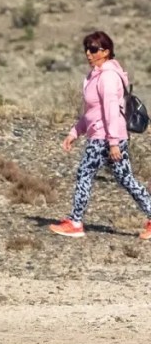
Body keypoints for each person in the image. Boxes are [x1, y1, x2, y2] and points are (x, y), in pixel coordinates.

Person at [51, 31, 151, 240]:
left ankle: (75, 222)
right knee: (126, 179)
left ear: (106, 52)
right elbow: (91, 113)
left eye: (94, 49)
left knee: (85, 174)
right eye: (87, 49)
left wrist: (113, 143)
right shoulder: (95, 76)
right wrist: (74, 132)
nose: (89, 53)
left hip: (105, 138)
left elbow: (111, 111)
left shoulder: (107, 77)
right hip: (105, 135)